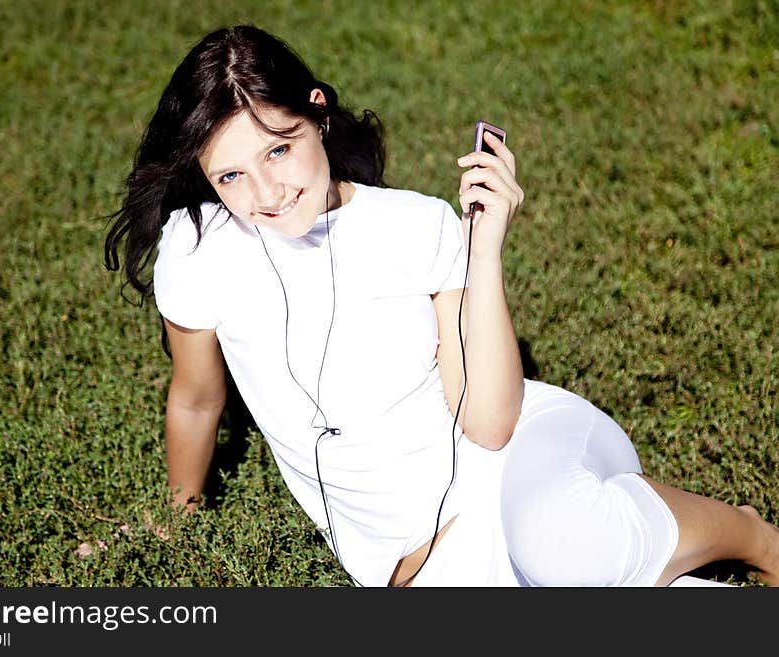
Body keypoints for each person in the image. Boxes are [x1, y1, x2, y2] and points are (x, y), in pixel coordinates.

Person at [104, 24, 779, 587]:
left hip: (520, 456)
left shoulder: (413, 226)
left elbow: (486, 424)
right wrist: (177, 516)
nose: (267, 192)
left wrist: (480, 253)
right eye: (231, 175)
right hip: (424, 563)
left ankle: (751, 534)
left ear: (318, 112)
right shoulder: (197, 252)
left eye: (279, 148)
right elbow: (195, 399)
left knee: (564, 547)